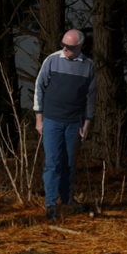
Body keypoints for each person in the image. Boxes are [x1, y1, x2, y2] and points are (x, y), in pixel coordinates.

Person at [33, 29, 96, 221]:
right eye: (63, 45)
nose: (65, 49)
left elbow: (90, 97)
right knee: (52, 162)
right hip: (52, 119)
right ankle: (51, 203)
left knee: (69, 163)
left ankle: (67, 200)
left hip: (74, 123)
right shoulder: (52, 60)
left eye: (69, 47)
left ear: (79, 47)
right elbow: (39, 87)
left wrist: (86, 123)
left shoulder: (88, 66)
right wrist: (39, 118)